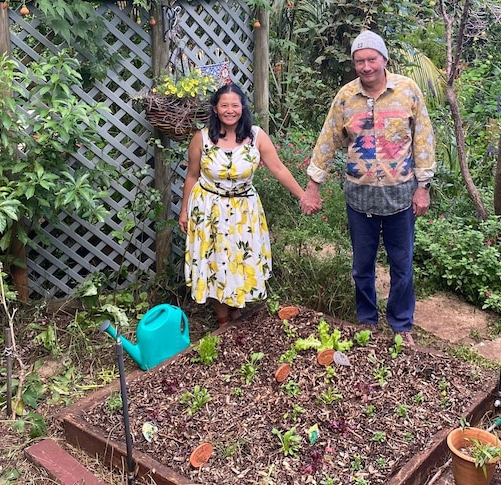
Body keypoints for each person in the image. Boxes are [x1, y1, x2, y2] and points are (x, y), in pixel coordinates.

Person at [300, 29, 436, 346]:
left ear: (384, 59)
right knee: (362, 266)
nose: (366, 67)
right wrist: (312, 185)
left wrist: (423, 186)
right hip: (359, 199)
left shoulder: (408, 91)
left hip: (400, 196)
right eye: (359, 61)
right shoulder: (346, 97)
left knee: (401, 266)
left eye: (371, 59)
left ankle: (402, 326)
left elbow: (424, 139)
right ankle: (367, 322)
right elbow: (327, 140)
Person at [179, 83, 309, 326]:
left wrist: (303, 195)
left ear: (242, 108)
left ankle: (236, 309)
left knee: (238, 259)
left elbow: (278, 169)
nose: (230, 110)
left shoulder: (256, 136)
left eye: (235, 105)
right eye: (224, 105)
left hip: (243, 211)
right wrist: (184, 210)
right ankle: (222, 319)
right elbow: (192, 176)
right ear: (216, 109)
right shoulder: (202, 138)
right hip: (209, 210)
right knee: (217, 261)